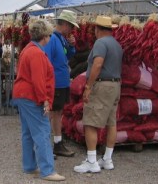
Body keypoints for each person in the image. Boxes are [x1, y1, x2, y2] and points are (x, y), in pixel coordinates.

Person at [11, 20, 65, 182]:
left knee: (28, 132)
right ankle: (47, 170)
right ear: (45, 36)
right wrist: (45, 100)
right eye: (49, 35)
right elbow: (39, 80)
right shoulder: (36, 53)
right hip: (31, 96)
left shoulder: (28, 49)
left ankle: (29, 165)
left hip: (23, 95)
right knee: (42, 132)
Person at [73, 16, 123, 173]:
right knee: (111, 122)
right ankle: (107, 159)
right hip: (115, 85)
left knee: (90, 122)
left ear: (98, 29)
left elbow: (98, 63)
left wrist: (88, 86)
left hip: (102, 86)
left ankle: (91, 161)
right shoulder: (116, 44)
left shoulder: (100, 43)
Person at [44, 10, 78, 158]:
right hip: (55, 83)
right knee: (50, 113)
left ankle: (58, 143)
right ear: (64, 24)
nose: (72, 30)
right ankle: (44, 145)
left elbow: (68, 56)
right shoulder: (52, 39)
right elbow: (46, 62)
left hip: (62, 83)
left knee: (58, 113)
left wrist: (71, 46)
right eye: (71, 26)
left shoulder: (61, 39)